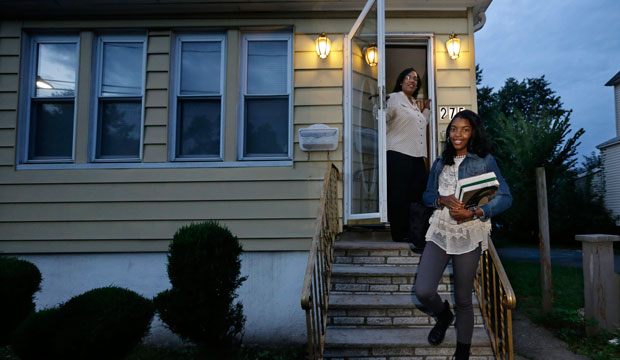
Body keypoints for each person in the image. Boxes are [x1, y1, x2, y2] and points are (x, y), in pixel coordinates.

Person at [415, 110, 512, 360]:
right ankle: (444, 315)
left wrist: (477, 212)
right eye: (454, 129)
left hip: (469, 232)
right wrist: (440, 199)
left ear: (473, 133)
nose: (457, 134)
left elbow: (506, 197)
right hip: (440, 230)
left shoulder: (484, 160)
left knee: (463, 297)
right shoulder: (440, 162)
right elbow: (426, 195)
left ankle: (463, 350)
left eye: (464, 129)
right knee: (423, 290)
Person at [386, 68, 431, 243]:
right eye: (408, 77)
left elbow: (419, 124)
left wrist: (426, 110)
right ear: (401, 81)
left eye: (415, 78)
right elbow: (384, 117)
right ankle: (399, 233)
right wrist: (380, 105)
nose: (412, 80)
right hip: (398, 153)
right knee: (399, 196)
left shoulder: (413, 103)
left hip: (417, 155)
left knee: (419, 193)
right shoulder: (394, 98)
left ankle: (416, 231)